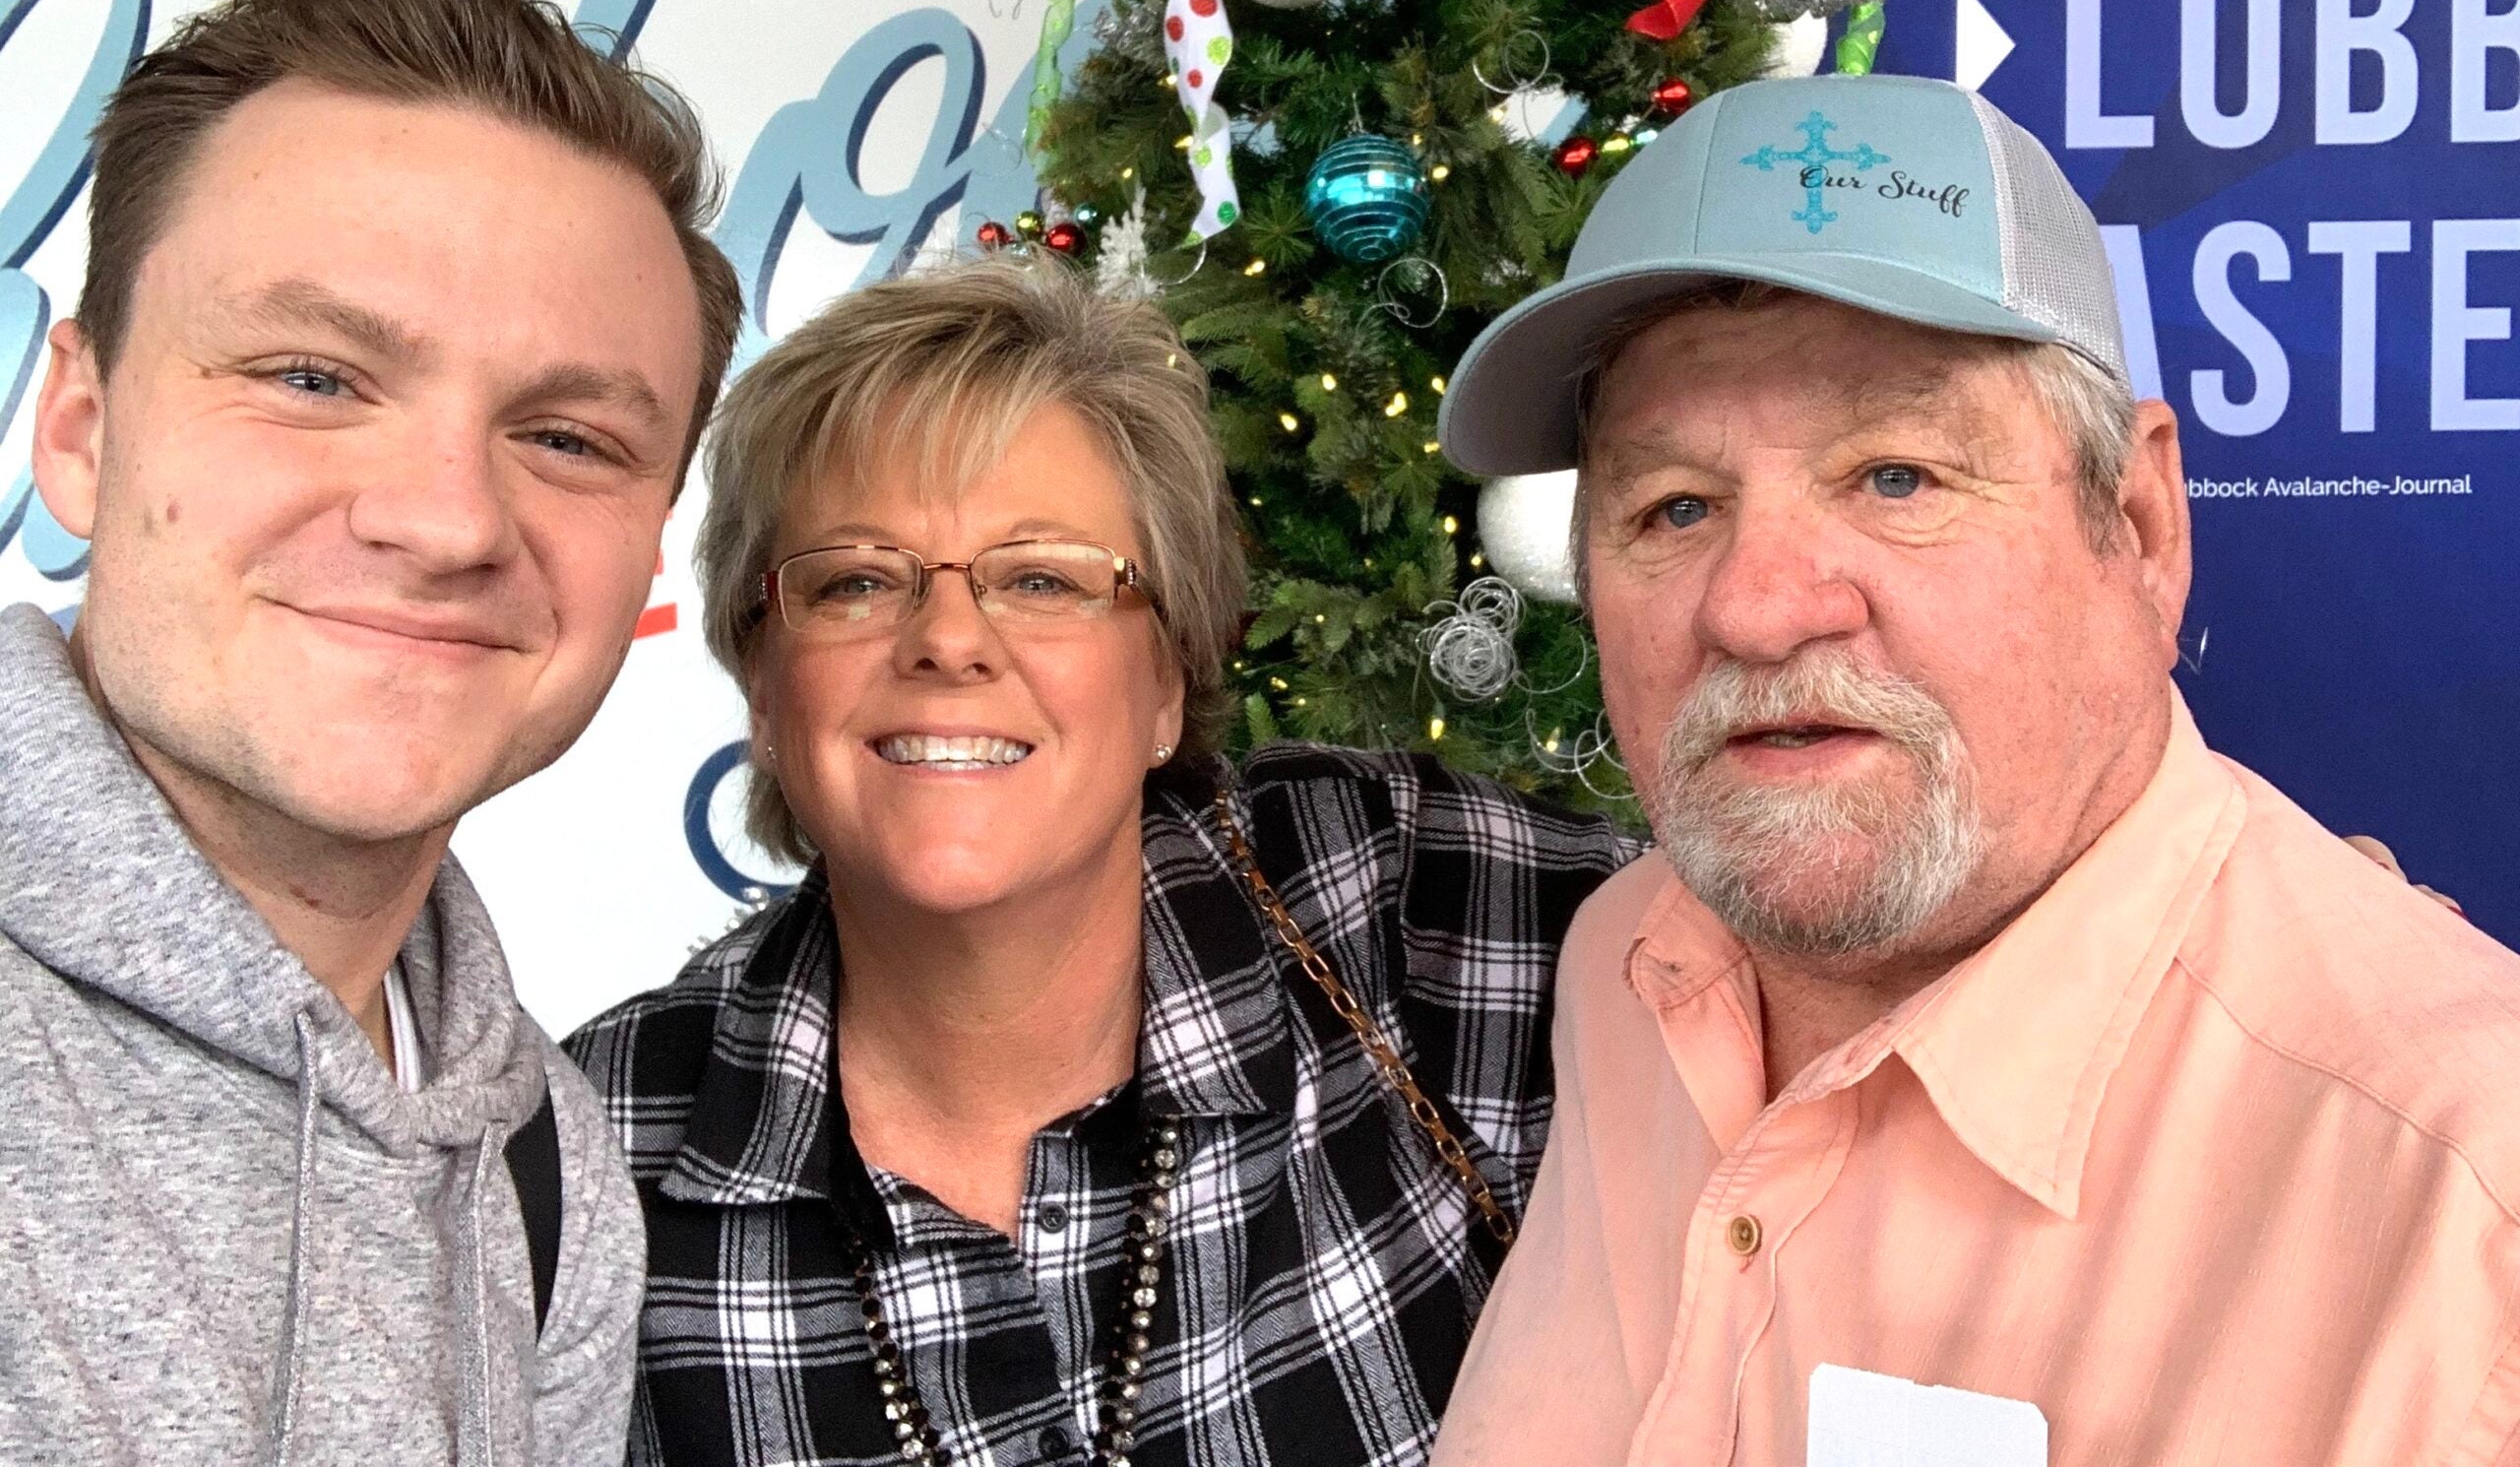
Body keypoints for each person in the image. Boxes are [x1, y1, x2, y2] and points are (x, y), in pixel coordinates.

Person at [1425, 74, 2520, 1465]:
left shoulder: (2469, 1217)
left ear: (2136, 523)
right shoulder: (1631, 965)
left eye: (1897, 476)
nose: (1756, 607)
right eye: (1676, 506)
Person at [565, 261, 1632, 1467]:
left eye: (1043, 578)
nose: (949, 640)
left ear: (1168, 675)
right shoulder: (586, 1158)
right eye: (856, 580)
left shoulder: (1412, 896)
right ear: (763, 683)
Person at [0, 0, 744, 1466]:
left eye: (568, 437)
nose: (449, 519)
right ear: (79, 429)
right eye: (315, 377)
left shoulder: (549, 1168)